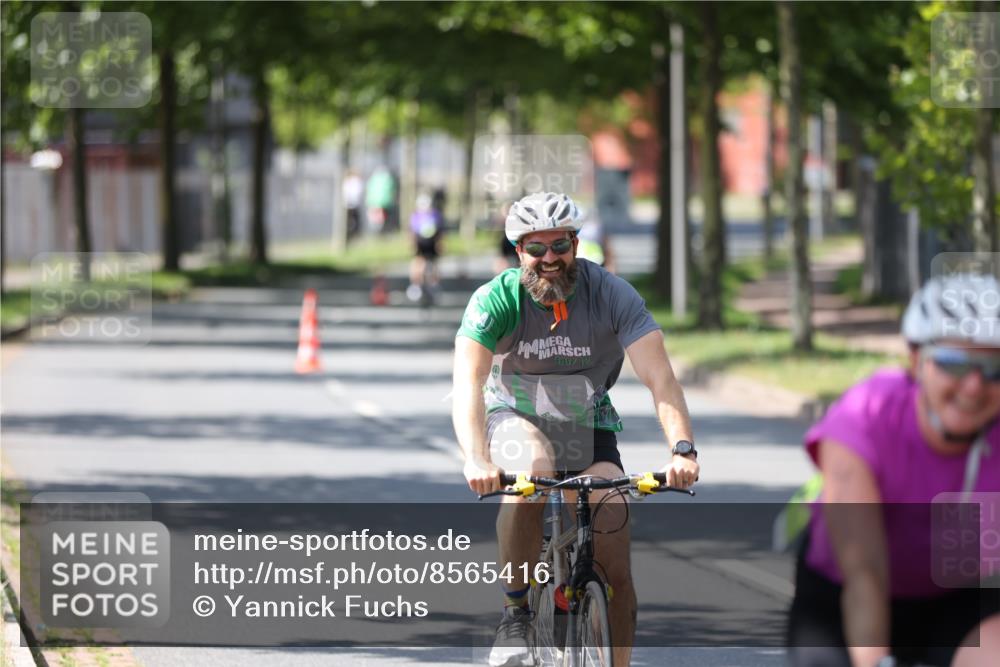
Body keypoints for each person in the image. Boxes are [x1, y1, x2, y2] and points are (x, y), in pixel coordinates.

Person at [452, 191, 699, 667]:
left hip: (588, 426)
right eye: (536, 248)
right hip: (513, 416)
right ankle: (515, 615)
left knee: (614, 542)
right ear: (518, 251)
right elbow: (468, 383)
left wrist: (682, 449)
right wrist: (476, 458)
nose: (550, 259)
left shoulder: (611, 294)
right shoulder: (495, 299)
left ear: (576, 244)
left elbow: (660, 378)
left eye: (560, 246)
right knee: (532, 471)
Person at [787, 273, 1000, 667]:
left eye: (994, 368)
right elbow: (864, 570)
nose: (974, 386)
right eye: (954, 363)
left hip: (959, 597)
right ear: (917, 361)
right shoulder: (866, 415)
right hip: (845, 591)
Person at [407, 192, 444, 302]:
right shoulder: (416, 216)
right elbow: (412, 232)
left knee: (434, 264)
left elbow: (440, 232)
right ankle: (416, 285)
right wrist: (412, 244)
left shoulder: (436, 215)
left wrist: (440, 244)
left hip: (432, 242)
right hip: (420, 242)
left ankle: (434, 284)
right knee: (418, 263)